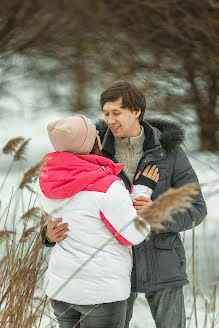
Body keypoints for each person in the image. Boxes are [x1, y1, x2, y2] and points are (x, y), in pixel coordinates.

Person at [43, 81, 207, 328]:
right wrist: (47, 234)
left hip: (163, 262)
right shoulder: (93, 151)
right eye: (106, 113)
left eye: (116, 113)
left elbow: (197, 208)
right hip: (115, 271)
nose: (109, 120)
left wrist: (158, 214)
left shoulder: (169, 152)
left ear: (136, 111)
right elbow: (63, 202)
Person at [38, 115, 159, 328]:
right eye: (95, 133)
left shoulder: (46, 181)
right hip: (101, 294)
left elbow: (69, 219)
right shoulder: (107, 186)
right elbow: (132, 234)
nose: (99, 134)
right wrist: (143, 193)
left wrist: (47, 236)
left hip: (62, 288)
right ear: (89, 142)